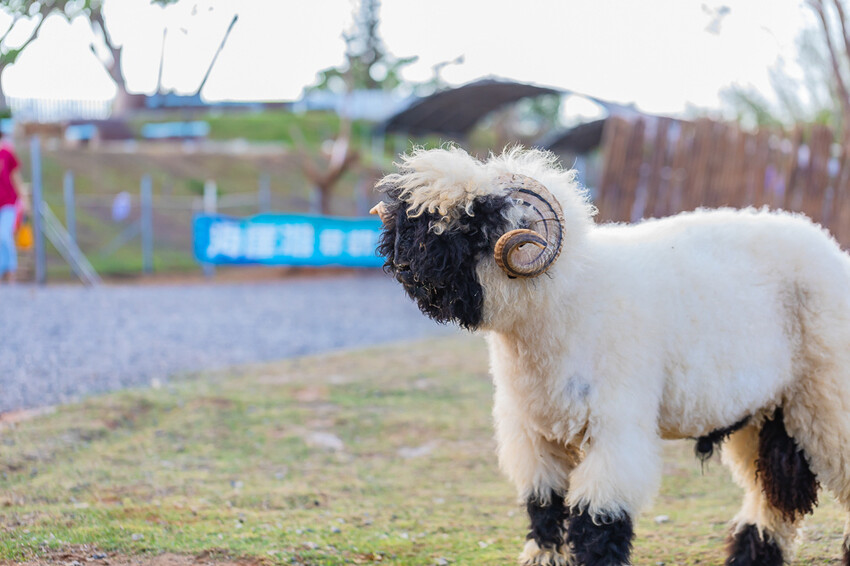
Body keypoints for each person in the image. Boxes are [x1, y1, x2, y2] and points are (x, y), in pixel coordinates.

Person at [0, 132, 23, 283]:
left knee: (4, 235)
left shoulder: (6, 153)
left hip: (8, 202)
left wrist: (23, 199)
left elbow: (15, 176)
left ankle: (11, 270)